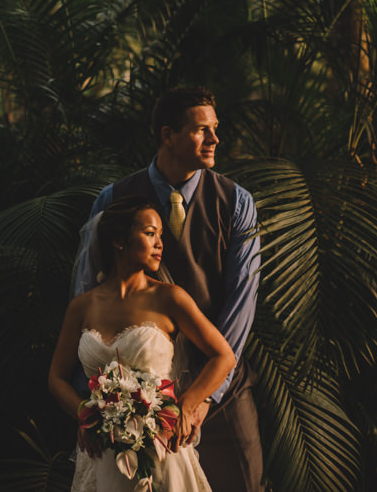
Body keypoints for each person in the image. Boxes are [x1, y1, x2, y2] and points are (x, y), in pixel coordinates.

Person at [72, 86, 263, 491]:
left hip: (221, 392)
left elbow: (241, 305)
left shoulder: (237, 202)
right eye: (201, 130)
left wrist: (199, 398)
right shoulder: (112, 201)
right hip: (130, 412)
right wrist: (98, 410)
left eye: (215, 129)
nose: (214, 139)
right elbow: (91, 295)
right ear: (167, 136)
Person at [49, 197, 236, 491]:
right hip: (102, 452)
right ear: (119, 241)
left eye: (161, 235)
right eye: (150, 233)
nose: (160, 243)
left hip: (161, 450)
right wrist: (84, 413)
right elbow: (56, 378)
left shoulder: (170, 298)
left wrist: (187, 405)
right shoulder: (82, 307)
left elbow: (224, 356)